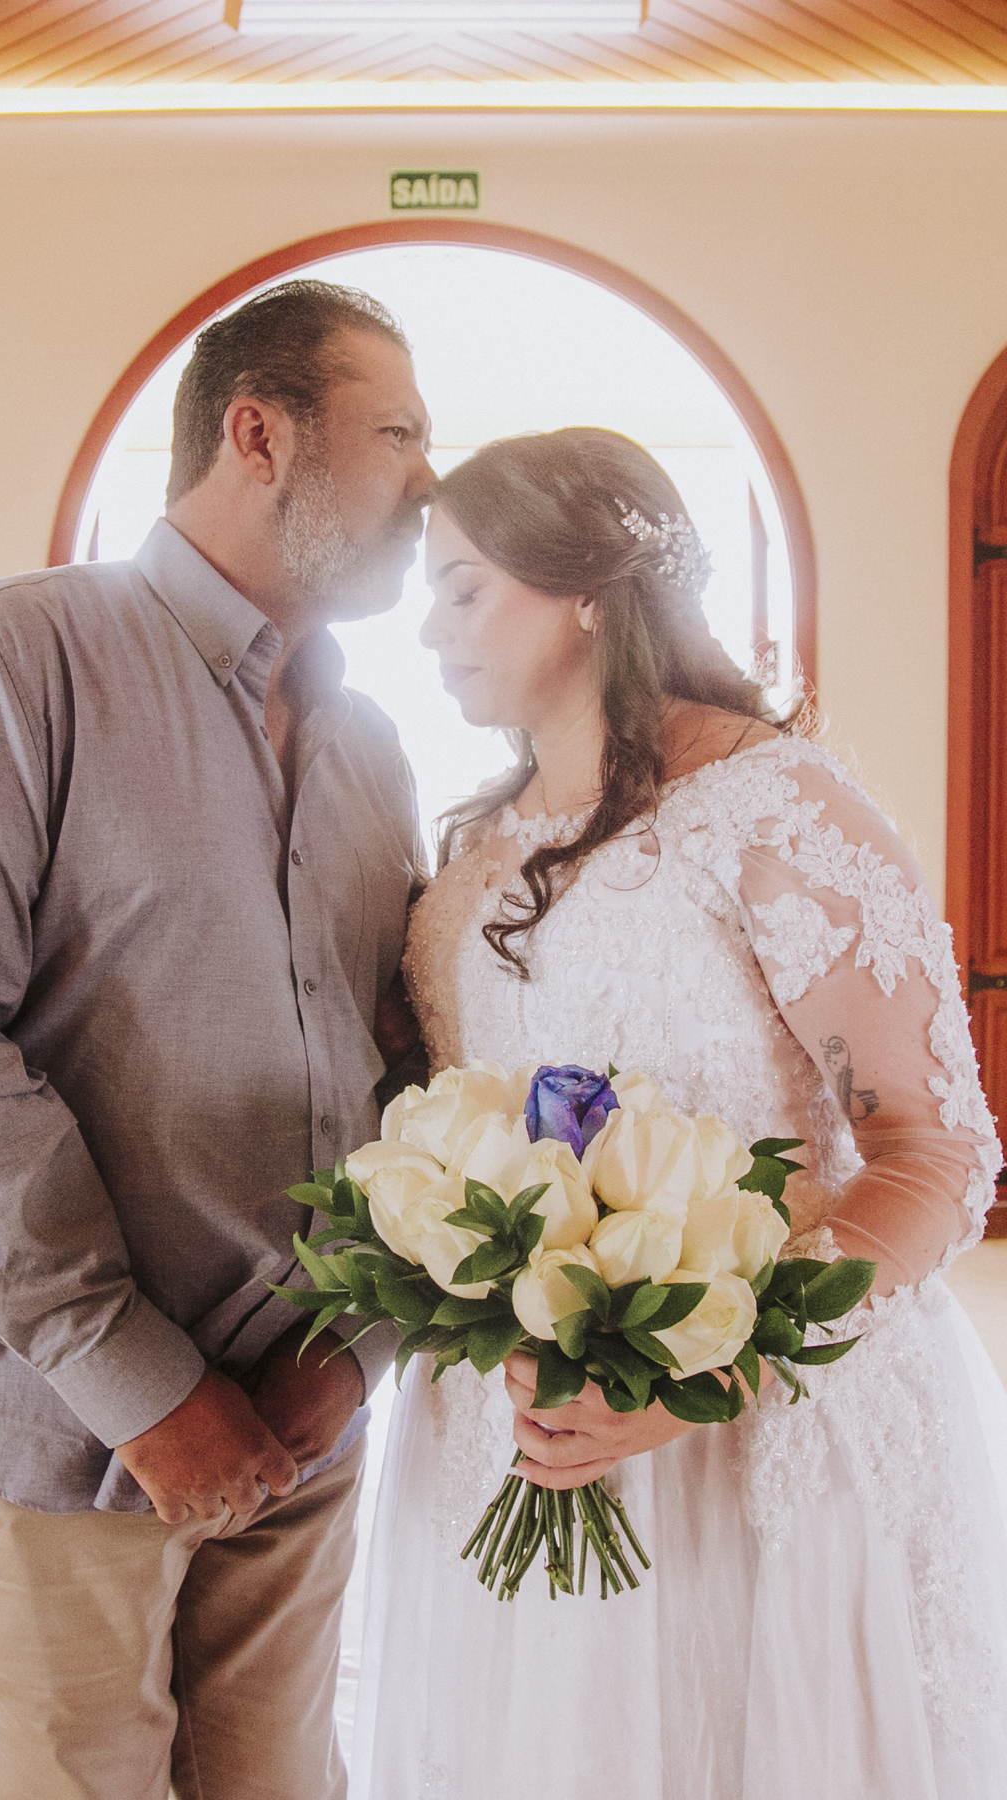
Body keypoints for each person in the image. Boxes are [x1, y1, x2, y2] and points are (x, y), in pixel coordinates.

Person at [0, 278, 434, 1800]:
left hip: (304, 1419)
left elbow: (404, 1065)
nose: (432, 482)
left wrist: (352, 1352)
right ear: (258, 435)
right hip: (59, 1433)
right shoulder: (4, 664)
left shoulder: (369, 745)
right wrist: (148, 1389)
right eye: (399, 435)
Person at [352, 429, 1007, 1800]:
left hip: (751, 1417)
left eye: (464, 589)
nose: (430, 630)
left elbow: (937, 1150)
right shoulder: (476, 846)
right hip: (516, 1416)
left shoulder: (773, 809)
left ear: (588, 590)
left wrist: (709, 1372)